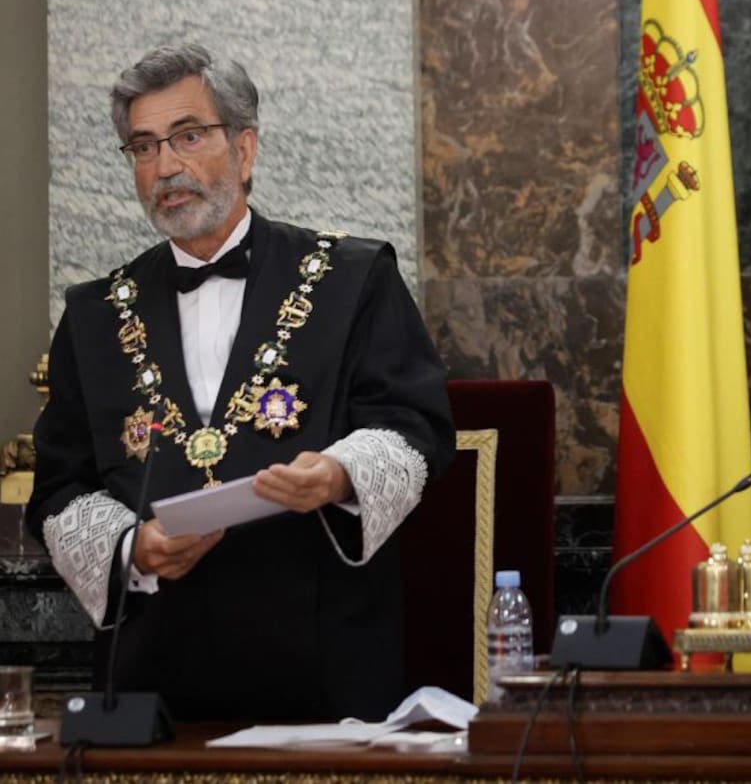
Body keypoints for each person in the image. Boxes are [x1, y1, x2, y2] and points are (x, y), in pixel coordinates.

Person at [27, 44, 456, 721]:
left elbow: (416, 426)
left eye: (188, 136)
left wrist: (339, 475)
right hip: (152, 680)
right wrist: (131, 547)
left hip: (323, 669)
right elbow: (59, 487)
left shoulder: (352, 279)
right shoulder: (94, 315)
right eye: (143, 147)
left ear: (245, 149)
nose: (165, 166)